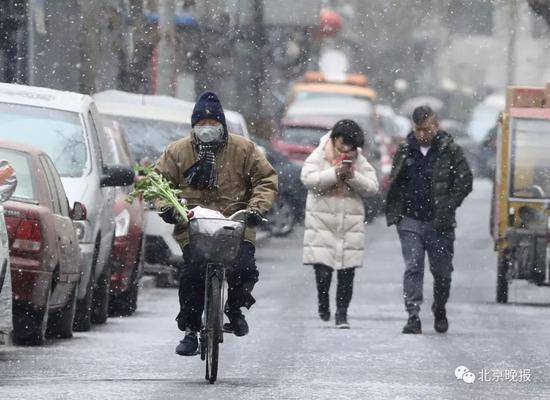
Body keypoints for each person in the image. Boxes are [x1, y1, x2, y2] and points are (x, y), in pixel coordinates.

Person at [155, 91, 278, 355]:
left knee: (243, 268)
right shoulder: (177, 152)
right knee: (192, 275)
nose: (207, 129)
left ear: (221, 125)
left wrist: (256, 209)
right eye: (201, 124)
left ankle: (234, 309)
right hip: (195, 229)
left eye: (212, 124)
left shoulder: (244, 150)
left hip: (235, 226)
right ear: (193, 126)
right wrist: (165, 207)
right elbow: (158, 183)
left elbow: (265, 180)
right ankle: (190, 329)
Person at [385, 105, 473, 334]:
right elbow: (396, 180)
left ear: (436, 126)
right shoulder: (406, 150)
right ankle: (412, 316)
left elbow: (465, 181)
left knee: (442, 273)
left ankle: (440, 307)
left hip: (439, 222)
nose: (422, 134)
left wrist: (449, 204)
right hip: (410, 220)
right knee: (413, 267)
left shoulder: (450, 150)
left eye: (426, 129)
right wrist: (396, 208)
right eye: (417, 130)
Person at [301, 120, 379, 329]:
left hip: (349, 224)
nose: (347, 150)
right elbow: (308, 180)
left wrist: (352, 177)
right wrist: (334, 174)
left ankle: (342, 314)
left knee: (347, 272)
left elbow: (372, 187)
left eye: (352, 146)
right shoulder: (320, 155)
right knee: (323, 271)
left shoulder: (359, 161)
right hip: (321, 222)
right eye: (344, 144)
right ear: (335, 139)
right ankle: (323, 303)